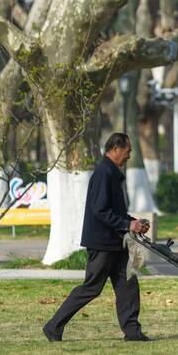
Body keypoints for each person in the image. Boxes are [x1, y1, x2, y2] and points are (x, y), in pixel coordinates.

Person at [43, 133, 151, 342]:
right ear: (116, 148)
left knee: (128, 284)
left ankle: (133, 333)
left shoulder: (111, 172)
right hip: (103, 244)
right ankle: (53, 327)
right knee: (91, 288)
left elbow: (114, 212)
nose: (129, 156)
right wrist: (128, 224)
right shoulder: (104, 173)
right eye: (128, 151)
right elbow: (100, 210)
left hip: (115, 243)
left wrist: (134, 223)